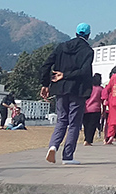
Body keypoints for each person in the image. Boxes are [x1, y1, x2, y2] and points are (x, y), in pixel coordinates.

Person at [40, 22, 94, 165]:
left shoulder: (61, 47)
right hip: (77, 90)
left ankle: (53, 146)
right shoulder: (87, 51)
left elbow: (46, 65)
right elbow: (84, 72)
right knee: (74, 123)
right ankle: (68, 156)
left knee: (62, 120)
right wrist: (66, 75)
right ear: (88, 35)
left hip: (60, 89)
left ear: (75, 33)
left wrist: (45, 84)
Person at [83, 74, 103, 145]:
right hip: (95, 109)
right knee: (92, 126)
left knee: (86, 125)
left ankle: (86, 138)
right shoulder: (100, 89)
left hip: (86, 109)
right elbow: (103, 99)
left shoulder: (88, 88)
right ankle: (88, 140)